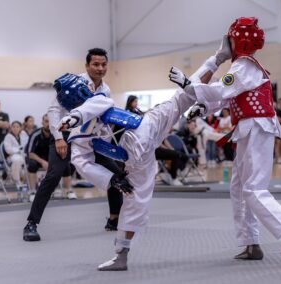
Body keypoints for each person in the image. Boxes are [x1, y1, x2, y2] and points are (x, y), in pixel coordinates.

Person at [57, 37, 231, 270]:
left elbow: (94, 107)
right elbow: (82, 163)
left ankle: (218, 57)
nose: (87, 86)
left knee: (183, 96)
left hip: (146, 125)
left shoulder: (97, 99)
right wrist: (113, 179)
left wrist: (75, 116)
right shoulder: (77, 133)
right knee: (134, 201)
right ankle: (121, 255)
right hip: (137, 151)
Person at [169, 17, 281, 260]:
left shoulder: (245, 66)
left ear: (236, 41)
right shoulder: (242, 66)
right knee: (238, 188)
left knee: (253, 188)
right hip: (248, 129)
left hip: (256, 127)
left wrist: (187, 84)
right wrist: (203, 108)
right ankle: (251, 243)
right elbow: (225, 97)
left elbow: (222, 89)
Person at [23, 48, 122, 241]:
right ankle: (31, 224)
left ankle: (114, 219)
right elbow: (53, 110)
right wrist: (59, 137)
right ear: (87, 66)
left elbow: (101, 118)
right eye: (95, 64)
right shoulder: (73, 82)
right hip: (65, 134)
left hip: (89, 138)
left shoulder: (105, 90)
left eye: (103, 64)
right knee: (53, 176)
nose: (100, 68)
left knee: (116, 174)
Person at [25, 114, 74, 202]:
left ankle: (69, 190)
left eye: (50, 122)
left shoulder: (58, 134)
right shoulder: (35, 134)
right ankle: (32, 192)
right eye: (46, 121)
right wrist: (43, 162)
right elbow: (30, 153)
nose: (48, 124)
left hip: (52, 158)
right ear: (42, 123)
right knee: (31, 164)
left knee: (65, 164)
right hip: (38, 159)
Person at [3, 121, 29, 190]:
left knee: (31, 161)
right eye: (13, 127)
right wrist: (18, 150)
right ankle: (16, 180)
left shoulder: (23, 134)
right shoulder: (8, 136)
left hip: (23, 155)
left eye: (17, 127)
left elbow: (27, 145)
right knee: (17, 160)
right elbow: (8, 149)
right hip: (12, 156)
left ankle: (27, 181)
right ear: (11, 128)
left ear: (20, 128)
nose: (15, 128)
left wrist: (22, 150)